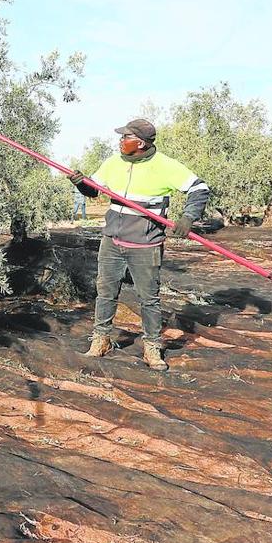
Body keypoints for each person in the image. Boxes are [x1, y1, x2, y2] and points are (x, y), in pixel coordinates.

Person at [70, 118, 210, 371]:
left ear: (141, 143)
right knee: (105, 293)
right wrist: (82, 183)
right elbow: (94, 190)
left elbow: (199, 188)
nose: (120, 141)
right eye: (121, 137)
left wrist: (188, 217)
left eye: (126, 137)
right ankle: (101, 340)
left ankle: (152, 348)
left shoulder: (166, 166)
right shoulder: (113, 162)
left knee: (149, 299)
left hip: (146, 245)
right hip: (112, 240)